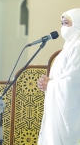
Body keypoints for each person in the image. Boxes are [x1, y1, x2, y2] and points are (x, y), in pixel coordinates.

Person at [37, 8, 80, 145]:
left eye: (66, 23)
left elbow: (73, 82)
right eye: (62, 23)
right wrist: (47, 83)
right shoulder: (67, 48)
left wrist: (50, 84)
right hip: (58, 104)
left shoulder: (78, 47)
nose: (63, 27)